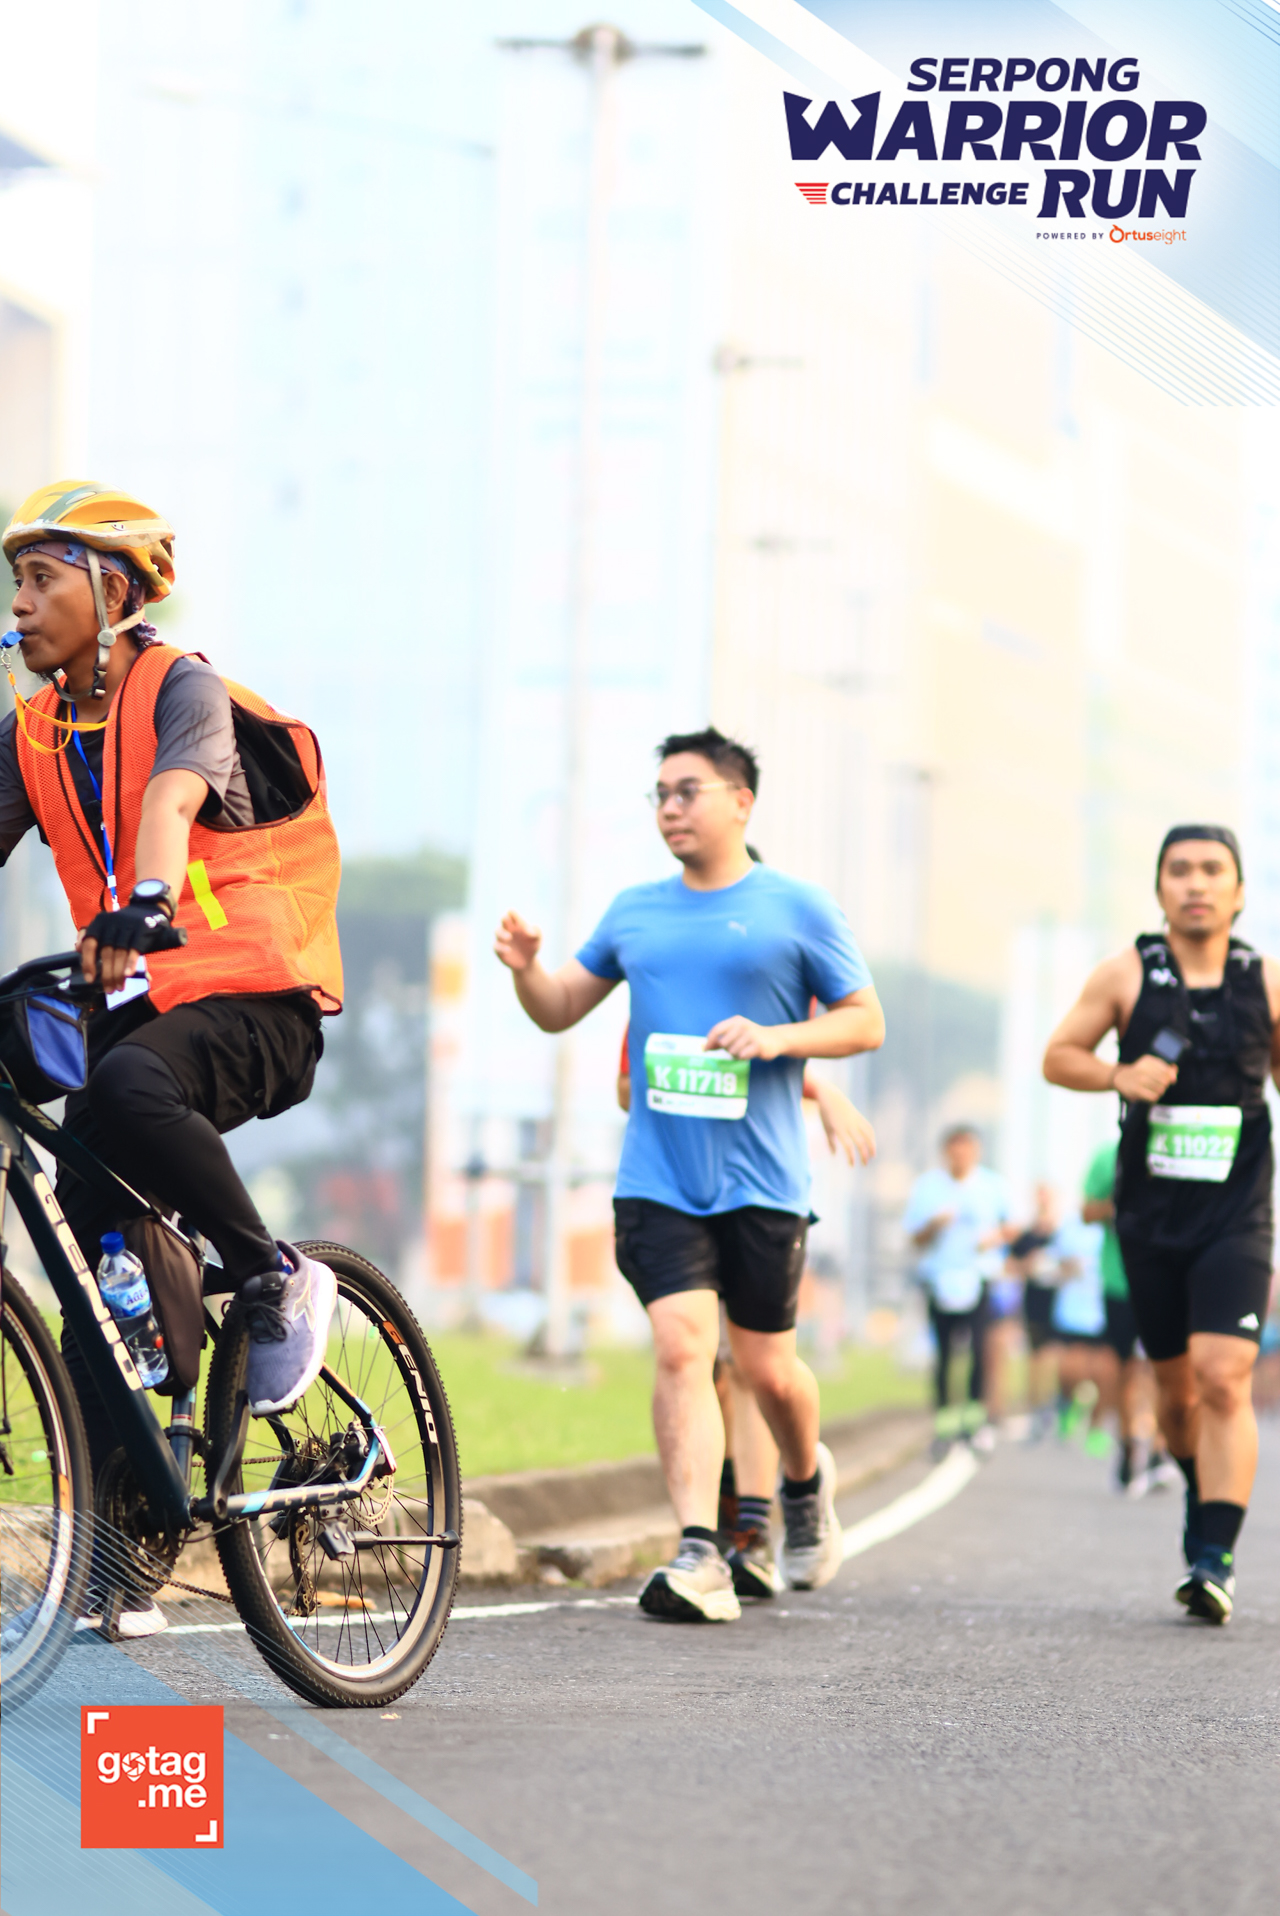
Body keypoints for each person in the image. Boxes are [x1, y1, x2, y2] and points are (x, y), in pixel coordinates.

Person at [1, 481, 342, 1635]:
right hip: (133, 1012)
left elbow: (173, 795)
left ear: (112, 591)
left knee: (125, 1086)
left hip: (252, 997)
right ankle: (129, 1547)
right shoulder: (34, 730)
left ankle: (270, 1273)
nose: (19, 602)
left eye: (42, 578)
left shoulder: (179, 687)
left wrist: (148, 896)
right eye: (15, 582)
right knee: (84, 1250)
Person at [496, 726, 884, 1622]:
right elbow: (559, 1009)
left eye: (688, 791)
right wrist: (528, 971)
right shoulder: (635, 912)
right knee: (681, 1346)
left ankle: (802, 1480)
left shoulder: (799, 907)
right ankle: (700, 1551)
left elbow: (865, 1021)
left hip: (763, 1182)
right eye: (660, 794)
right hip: (659, 1178)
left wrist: (779, 1039)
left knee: (770, 1370)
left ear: (741, 802)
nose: (670, 808)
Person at [1043, 825, 1279, 1624]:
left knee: (1224, 1376)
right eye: (1180, 871)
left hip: (1238, 1215)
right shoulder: (1125, 974)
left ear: (1239, 892)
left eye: (1212, 870)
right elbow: (1058, 1056)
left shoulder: (1266, 981)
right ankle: (1200, 1493)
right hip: (1149, 1220)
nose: (1196, 884)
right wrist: (1119, 1073)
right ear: (1159, 890)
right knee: (1176, 1398)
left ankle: (1215, 1556)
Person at [617, 1020, 877, 1595]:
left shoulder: (779, 979)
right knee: (694, 1361)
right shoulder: (659, 986)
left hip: (760, 1190)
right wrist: (689, 1092)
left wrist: (820, 1089)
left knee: (752, 1366)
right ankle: (709, 1540)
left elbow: (809, 1043)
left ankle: (757, 1532)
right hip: (677, 1191)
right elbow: (627, 1088)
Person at [904, 1125, 1012, 1457]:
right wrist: (934, 1225)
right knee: (945, 1354)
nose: (961, 1156)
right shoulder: (928, 1188)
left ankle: (974, 1422)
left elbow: (1012, 1226)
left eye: (967, 1150)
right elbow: (913, 1237)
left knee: (979, 1350)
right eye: (955, 1150)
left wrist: (994, 1238)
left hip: (978, 1278)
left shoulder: (992, 1185)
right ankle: (944, 1424)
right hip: (939, 1279)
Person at [1080, 1138, 1170, 1494]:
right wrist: (1125, 1204)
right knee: (1126, 1368)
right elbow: (1087, 1211)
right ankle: (1128, 1445)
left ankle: (1160, 1449)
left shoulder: (1175, 1149)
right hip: (1119, 1280)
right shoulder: (1108, 1157)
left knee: (1165, 1368)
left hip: (1166, 1278)